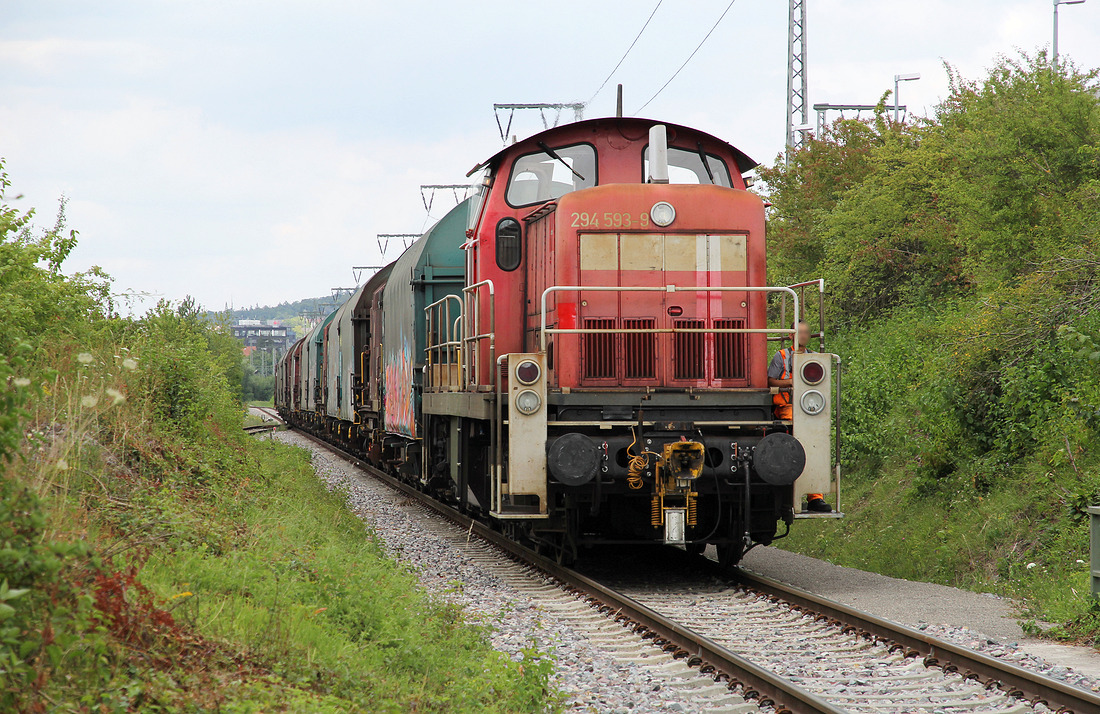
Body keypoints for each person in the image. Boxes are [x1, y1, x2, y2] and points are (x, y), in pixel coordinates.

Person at [767, 320, 831, 513]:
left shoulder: (815, 358)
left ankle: (815, 497)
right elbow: (770, 380)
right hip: (787, 409)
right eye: (800, 332)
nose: (803, 336)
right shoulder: (781, 356)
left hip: (809, 410)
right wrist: (791, 382)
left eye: (806, 333)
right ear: (791, 336)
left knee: (814, 446)